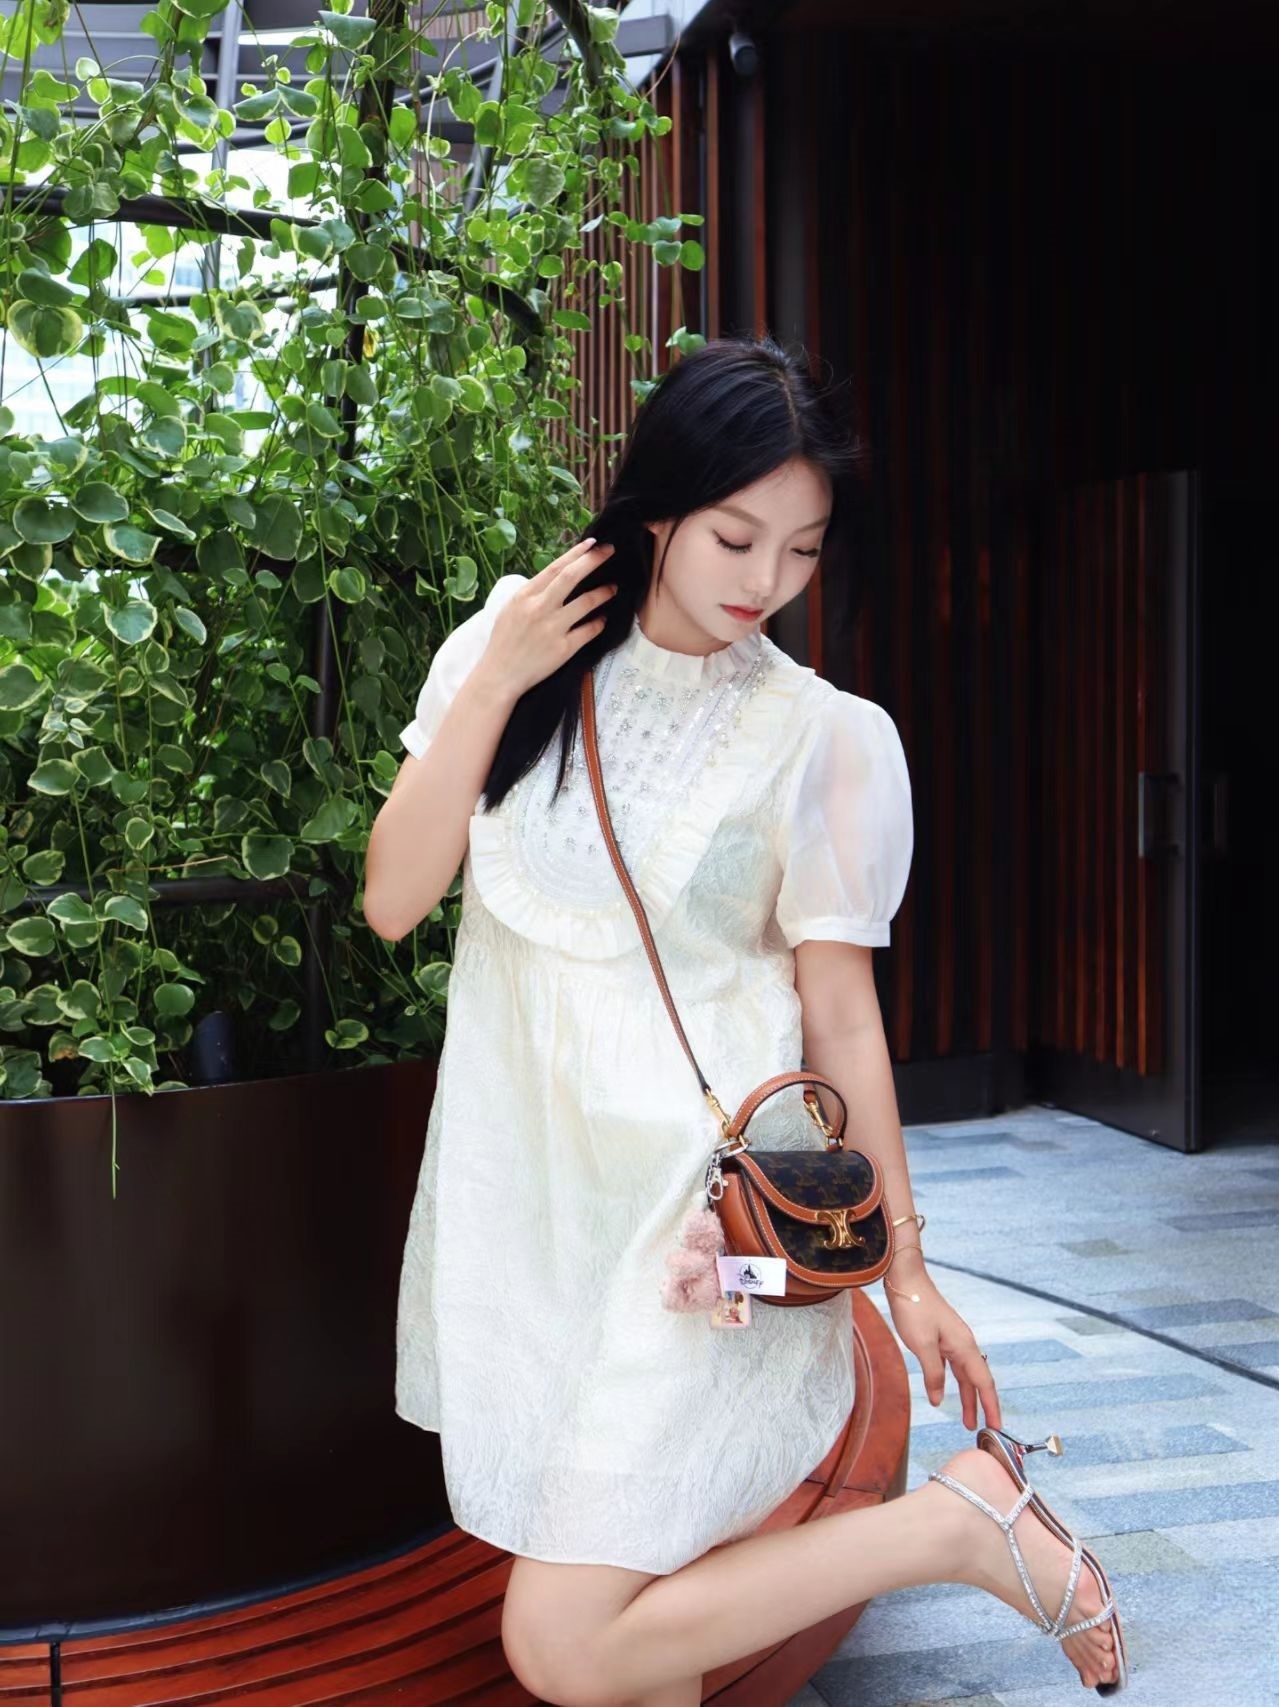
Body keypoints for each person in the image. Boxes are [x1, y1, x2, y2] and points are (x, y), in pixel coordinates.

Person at [362, 335, 1126, 1703]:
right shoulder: (513, 653)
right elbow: (391, 898)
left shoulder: (818, 737)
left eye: (803, 550)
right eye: (735, 537)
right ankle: (955, 1526)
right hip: (532, 1212)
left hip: (708, 1238)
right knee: (642, 1619)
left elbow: (842, 1016)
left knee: (566, 1640)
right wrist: (496, 677)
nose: (765, 581)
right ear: (657, 505)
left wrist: (904, 1269)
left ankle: (956, 1527)